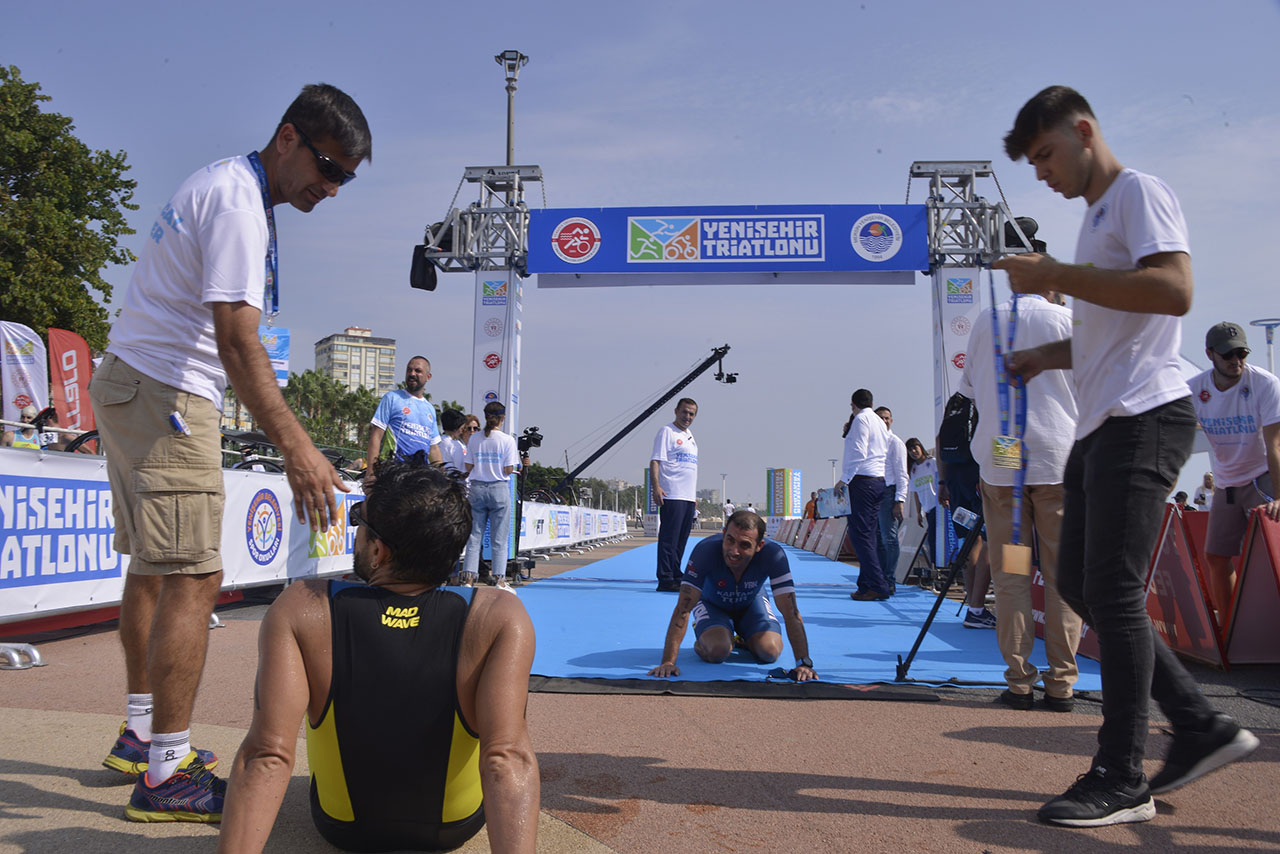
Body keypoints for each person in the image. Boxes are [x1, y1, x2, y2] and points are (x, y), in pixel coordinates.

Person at [89, 83, 370, 822]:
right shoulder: (244, 207)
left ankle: (142, 732)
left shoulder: (223, 180)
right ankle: (167, 773)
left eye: (346, 177)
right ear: (288, 138)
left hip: (131, 382)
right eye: (329, 169)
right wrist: (299, 449)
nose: (332, 189)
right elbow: (237, 342)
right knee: (193, 574)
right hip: (168, 394)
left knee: (156, 567)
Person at [996, 85, 1258, 827]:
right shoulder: (1096, 222)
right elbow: (1114, 324)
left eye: (1046, 155)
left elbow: (1174, 290)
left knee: (1108, 587)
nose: (1042, 174)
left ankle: (1121, 774)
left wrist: (1051, 278)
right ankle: (1199, 724)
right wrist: (1046, 353)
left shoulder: (1138, 191)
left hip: (1146, 415)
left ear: (1084, 132)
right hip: (1101, 422)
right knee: (1077, 578)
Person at [218, 460, 539, 853]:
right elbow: (506, 758)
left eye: (359, 521)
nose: (354, 533)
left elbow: (267, 754)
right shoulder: (498, 616)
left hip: (342, 827)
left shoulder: (303, 607)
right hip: (453, 826)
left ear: (378, 549)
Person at [957, 285, 1083, 713]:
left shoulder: (985, 320)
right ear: (1051, 285)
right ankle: (1062, 684)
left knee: (1012, 575)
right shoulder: (1066, 320)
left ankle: (1019, 682)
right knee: (1062, 575)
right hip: (1057, 460)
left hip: (1005, 460)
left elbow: (970, 390)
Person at [648, 510, 816, 681]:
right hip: (712, 604)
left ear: (759, 546)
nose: (734, 551)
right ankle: (706, 639)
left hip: (752, 602)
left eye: (744, 545)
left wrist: (803, 663)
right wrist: (668, 661)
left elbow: (791, 612)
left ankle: (745, 638)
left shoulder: (774, 556)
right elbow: (683, 609)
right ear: (723, 535)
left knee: (769, 651)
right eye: (730, 540)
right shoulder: (705, 552)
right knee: (718, 651)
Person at [1188, 321, 1280, 618]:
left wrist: (1279, 497)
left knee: (1274, 557)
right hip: (1227, 485)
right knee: (1216, 556)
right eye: (1228, 354)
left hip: (1263, 478)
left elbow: (1275, 445)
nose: (1236, 360)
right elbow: (1171, 443)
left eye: (1241, 353)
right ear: (1210, 354)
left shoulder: (1264, 384)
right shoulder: (1193, 390)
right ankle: (1229, 631)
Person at [936, 392, 995, 628]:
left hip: (954, 478)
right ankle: (977, 608)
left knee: (970, 541)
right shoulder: (984, 400)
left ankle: (974, 605)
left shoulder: (954, 408)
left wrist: (942, 483)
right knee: (991, 540)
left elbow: (940, 442)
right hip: (979, 477)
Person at [836, 388, 892, 601]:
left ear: (853, 404)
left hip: (863, 481)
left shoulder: (861, 420)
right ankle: (866, 583)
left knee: (861, 536)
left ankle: (877, 584)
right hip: (877, 481)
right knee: (868, 536)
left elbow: (859, 452)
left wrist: (845, 478)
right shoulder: (878, 421)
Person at [463, 401, 519, 586]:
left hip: (477, 488)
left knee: (474, 537)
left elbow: (468, 466)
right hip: (498, 489)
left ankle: (469, 579)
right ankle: (499, 580)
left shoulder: (475, 439)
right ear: (502, 418)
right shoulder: (507, 440)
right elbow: (508, 469)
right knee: (499, 539)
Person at [365, 356, 442, 482]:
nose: (412, 374)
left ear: (428, 377)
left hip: (419, 476)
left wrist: (442, 477)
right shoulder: (392, 398)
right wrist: (370, 472)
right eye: (409, 370)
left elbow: (433, 448)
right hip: (393, 471)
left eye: (418, 371)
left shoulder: (430, 409)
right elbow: (376, 436)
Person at [650, 398, 699, 592]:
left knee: (681, 539)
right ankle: (665, 578)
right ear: (676, 411)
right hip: (672, 493)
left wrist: (693, 496)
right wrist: (656, 487)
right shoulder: (667, 432)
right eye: (684, 412)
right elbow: (655, 461)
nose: (687, 417)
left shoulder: (690, 435)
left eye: (692, 414)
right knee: (669, 539)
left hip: (687, 497)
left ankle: (676, 574)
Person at [874, 406, 908, 591]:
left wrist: (899, 500)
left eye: (887, 418)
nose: (884, 421)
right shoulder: (871, 442)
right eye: (880, 418)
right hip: (875, 493)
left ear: (891, 420)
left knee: (890, 538)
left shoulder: (895, 443)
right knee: (878, 539)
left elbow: (902, 474)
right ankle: (880, 578)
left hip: (889, 493)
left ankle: (890, 579)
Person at [905, 438, 939, 573]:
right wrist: (918, 512)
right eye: (910, 450)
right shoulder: (913, 469)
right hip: (928, 509)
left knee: (935, 539)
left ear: (920, 446)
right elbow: (915, 493)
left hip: (938, 506)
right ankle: (934, 567)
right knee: (931, 540)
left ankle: (938, 568)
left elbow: (942, 481)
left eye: (915, 447)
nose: (913, 451)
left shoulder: (932, 463)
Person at [438, 408, 469, 476]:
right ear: (456, 427)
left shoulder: (437, 442)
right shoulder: (456, 445)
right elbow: (461, 468)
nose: (461, 432)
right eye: (462, 429)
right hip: (455, 480)